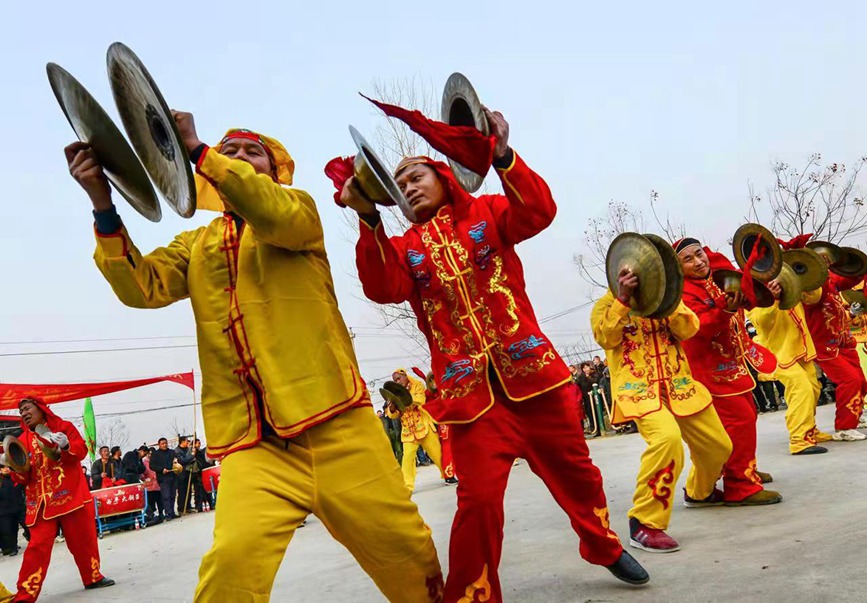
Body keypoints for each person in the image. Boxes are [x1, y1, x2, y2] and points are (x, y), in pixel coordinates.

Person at [66, 111, 443, 602]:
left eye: (251, 152)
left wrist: (203, 152)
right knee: (229, 569)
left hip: (336, 425)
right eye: (230, 152)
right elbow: (142, 287)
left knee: (408, 555)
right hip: (252, 444)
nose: (237, 158)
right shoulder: (196, 244)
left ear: (274, 169)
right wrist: (102, 203)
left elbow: (270, 212)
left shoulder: (297, 213)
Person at [343, 106, 647, 600]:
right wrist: (366, 215)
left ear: (444, 176)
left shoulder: (487, 213)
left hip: (536, 380)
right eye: (399, 184)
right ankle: (472, 595)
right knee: (478, 502)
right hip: (471, 401)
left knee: (578, 475)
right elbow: (381, 287)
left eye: (417, 175)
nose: (410, 186)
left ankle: (602, 544)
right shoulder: (402, 248)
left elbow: (539, 212)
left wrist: (502, 154)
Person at [591, 267, 734, 553]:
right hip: (640, 390)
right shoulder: (606, 304)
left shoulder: (667, 298)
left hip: (679, 384)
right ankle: (645, 522)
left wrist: (667, 303)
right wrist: (623, 301)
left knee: (719, 446)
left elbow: (689, 329)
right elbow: (606, 338)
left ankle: (698, 492)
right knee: (667, 442)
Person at [675, 238, 782, 505]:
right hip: (708, 369)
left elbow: (745, 300)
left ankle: (745, 469)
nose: (698, 262)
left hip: (734, 364)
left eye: (699, 254)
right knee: (739, 422)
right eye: (688, 259)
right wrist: (725, 309)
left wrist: (769, 290)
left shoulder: (714, 279)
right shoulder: (682, 293)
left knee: (747, 418)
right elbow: (697, 328)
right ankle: (741, 486)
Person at [0, 397, 114, 600]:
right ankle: (25, 595)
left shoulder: (64, 427)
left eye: (27, 409)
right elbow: (24, 478)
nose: (24, 414)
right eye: (21, 412)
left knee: (83, 541)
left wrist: (66, 446)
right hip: (40, 504)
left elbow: (80, 451)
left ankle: (92, 577)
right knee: (36, 547)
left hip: (70, 497)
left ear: (41, 408)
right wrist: (13, 467)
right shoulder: (23, 440)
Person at [747, 278, 834, 455]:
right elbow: (760, 321)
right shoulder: (754, 291)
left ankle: (810, 430)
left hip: (801, 348)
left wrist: (809, 277)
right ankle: (799, 440)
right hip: (778, 352)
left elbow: (813, 298)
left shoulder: (788, 280)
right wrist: (774, 298)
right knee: (801, 390)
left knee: (813, 388)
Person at [801, 264, 866, 441]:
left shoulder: (833, 288)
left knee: (860, 381)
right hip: (824, 346)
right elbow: (818, 294)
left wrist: (859, 268)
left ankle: (855, 416)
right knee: (849, 380)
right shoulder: (811, 290)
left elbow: (846, 278)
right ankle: (844, 427)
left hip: (842, 343)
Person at [385, 369, 446, 491]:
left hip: (424, 427)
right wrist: (391, 408)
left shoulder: (417, 385)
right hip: (408, 432)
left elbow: (421, 400)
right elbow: (393, 415)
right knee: (407, 458)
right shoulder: (394, 394)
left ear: (405, 376)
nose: (397, 381)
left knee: (437, 454)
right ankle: (407, 486)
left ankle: (447, 475)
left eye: (399, 378)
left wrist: (404, 397)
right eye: (395, 380)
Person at [148, 438, 178, 521]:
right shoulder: (156, 454)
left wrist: (176, 462)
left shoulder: (172, 452)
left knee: (173, 495)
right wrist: (161, 470)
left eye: (165, 443)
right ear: (159, 445)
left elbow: (177, 460)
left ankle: (172, 512)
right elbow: (152, 466)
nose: (164, 445)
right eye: (162, 443)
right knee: (166, 496)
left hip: (173, 475)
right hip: (163, 478)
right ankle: (168, 513)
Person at [0, 466, 24, 556]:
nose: (6, 469)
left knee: (27, 525)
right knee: (9, 530)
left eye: (7, 467)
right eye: (2, 468)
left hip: (19, 507)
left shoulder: (16, 477)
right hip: (4, 511)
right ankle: (13, 548)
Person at [141, 448, 163, 522]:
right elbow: (142, 473)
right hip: (149, 486)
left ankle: (161, 514)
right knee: (151, 502)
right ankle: (153, 516)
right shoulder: (144, 462)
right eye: (149, 454)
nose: (151, 455)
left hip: (157, 484)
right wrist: (144, 478)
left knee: (160, 501)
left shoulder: (158, 460)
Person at [175, 437, 195, 515]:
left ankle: (188, 507)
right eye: (187, 441)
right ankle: (181, 508)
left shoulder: (188, 449)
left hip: (188, 472)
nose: (188, 442)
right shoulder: (177, 451)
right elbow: (182, 461)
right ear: (182, 442)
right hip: (181, 474)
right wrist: (192, 455)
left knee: (188, 490)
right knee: (182, 491)